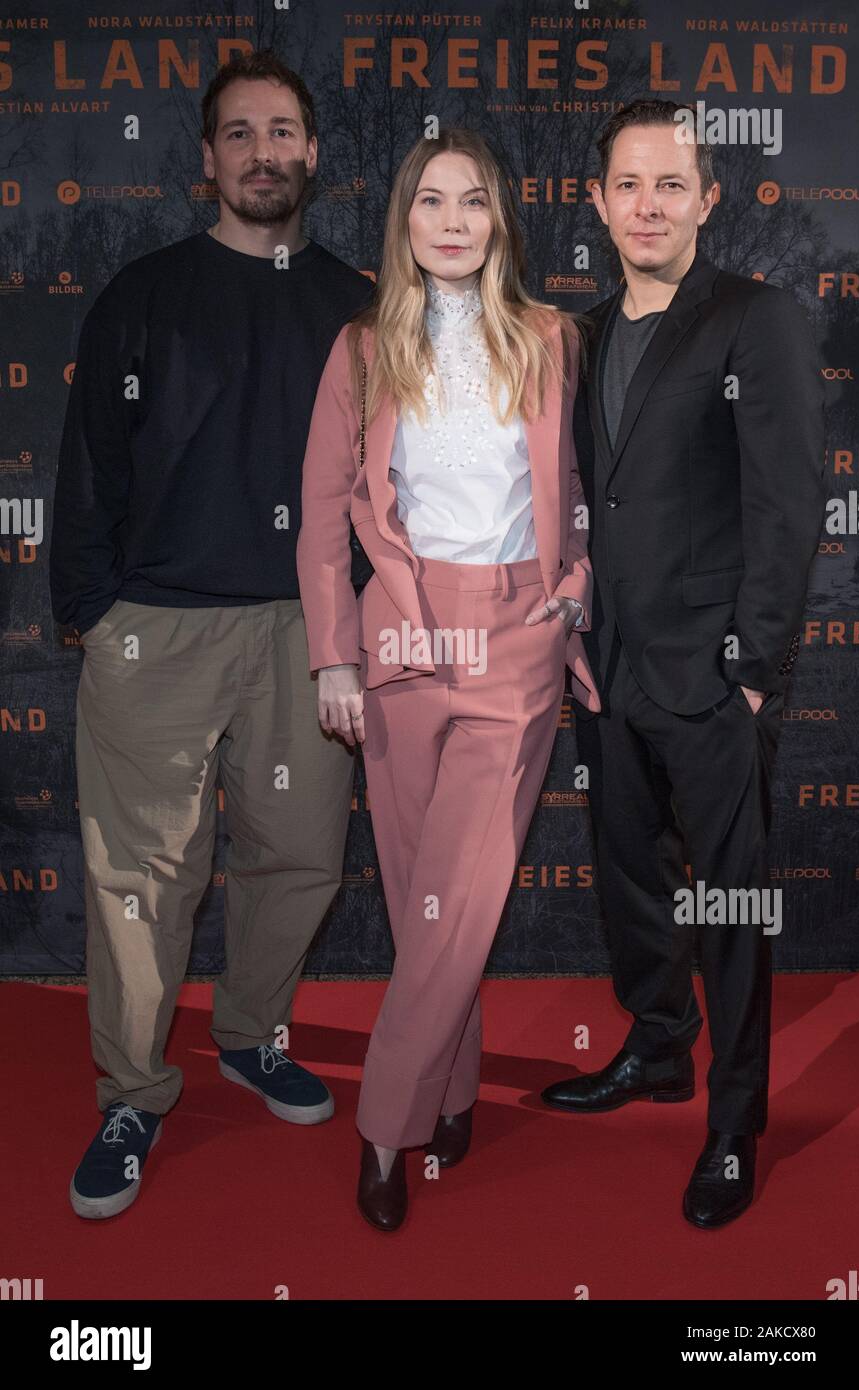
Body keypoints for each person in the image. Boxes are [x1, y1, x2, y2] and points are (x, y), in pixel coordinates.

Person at [49, 50, 374, 1220]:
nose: (262, 153)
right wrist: (94, 614)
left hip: (311, 632)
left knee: (298, 859)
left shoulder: (359, 303)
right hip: (159, 634)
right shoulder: (140, 296)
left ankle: (249, 1034)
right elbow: (85, 471)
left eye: (281, 131)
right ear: (205, 160)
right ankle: (133, 1090)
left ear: (312, 155)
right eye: (238, 134)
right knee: (141, 880)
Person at [297, 128, 600, 1231]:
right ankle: (456, 1085)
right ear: (403, 220)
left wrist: (574, 583)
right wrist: (334, 653)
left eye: (474, 201)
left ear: (500, 220)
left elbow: (597, 488)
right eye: (432, 201)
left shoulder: (552, 339)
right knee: (429, 894)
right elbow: (326, 519)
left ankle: (385, 1126)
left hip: (514, 641)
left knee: (457, 893)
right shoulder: (360, 350)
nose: (454, 221)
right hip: (399, 645)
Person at [542, 100, 826, 1228]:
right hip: (607, 671)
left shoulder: (752, 319)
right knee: (629, 886)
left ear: (708, 200)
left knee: (731, 907)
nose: (647, 204)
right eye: (627, 184)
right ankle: (658, 1052)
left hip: (711, 678)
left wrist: (751, 670)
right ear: (598, 201)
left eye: (671, 185)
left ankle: (732, 1120)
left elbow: (785, 499)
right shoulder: (583, 333)